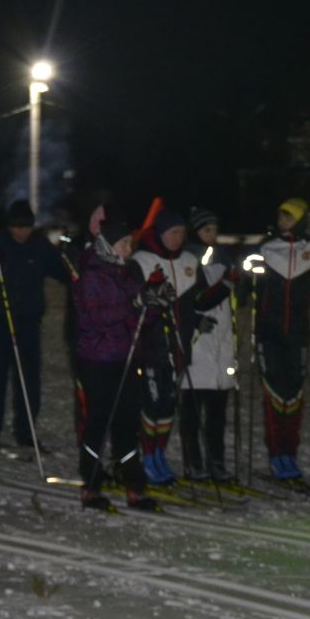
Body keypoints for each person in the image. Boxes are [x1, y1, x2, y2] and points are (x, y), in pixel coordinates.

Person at [71, 212, 159, 512]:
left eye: (129, 243)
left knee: (127, 424)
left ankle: (134, 485)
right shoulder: (92, 275)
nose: (127, 249)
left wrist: (154, 303)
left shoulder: (128, 273)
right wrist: (131, 304)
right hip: (98, 359)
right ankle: (91, 485)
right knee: (98, 422)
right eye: (122, 243)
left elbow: (141, 319)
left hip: (126, 357)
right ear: (108, 245)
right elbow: (95, 317)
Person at [254, 197, 310, 482]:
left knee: (294, 395)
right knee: (275, 395)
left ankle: (290, 453)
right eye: (281, 216)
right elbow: (237, 268)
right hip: (270, 334)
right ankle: (277, 454)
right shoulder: (266, 248)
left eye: (290, 217)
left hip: (298, 335)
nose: (283, 222)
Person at [0, 200, 66, 458]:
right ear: (9, 226)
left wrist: (72, 258)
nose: (21, 232)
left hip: (27, 322)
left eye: (26, 227)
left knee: (29, 380)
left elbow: (61, 270)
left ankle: (25, 432)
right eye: (17, 227)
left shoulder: (39, 245)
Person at [131, 207, 197, 485]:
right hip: (151, 348)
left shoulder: (190, 262)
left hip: (179, 347)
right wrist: (149, 294)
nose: (177, 238)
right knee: (153, 402)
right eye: (172, 233)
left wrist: (228, 287)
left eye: (181, 233)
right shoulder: (142, 261)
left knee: (169, 404)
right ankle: (146, 455)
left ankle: (159, 453)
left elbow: (198, 302)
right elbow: (133, 301)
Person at [178, 208, 239, 482]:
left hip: (222, 347)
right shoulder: (188, 259)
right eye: (205, 230)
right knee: (192, 412)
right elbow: (196, 299)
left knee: (217, 413)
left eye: (214, 229)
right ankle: (194, 462)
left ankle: (217, 461)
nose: (211, 235)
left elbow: (231, 300)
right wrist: (227, 285)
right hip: (197, 346)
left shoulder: (223, 258)